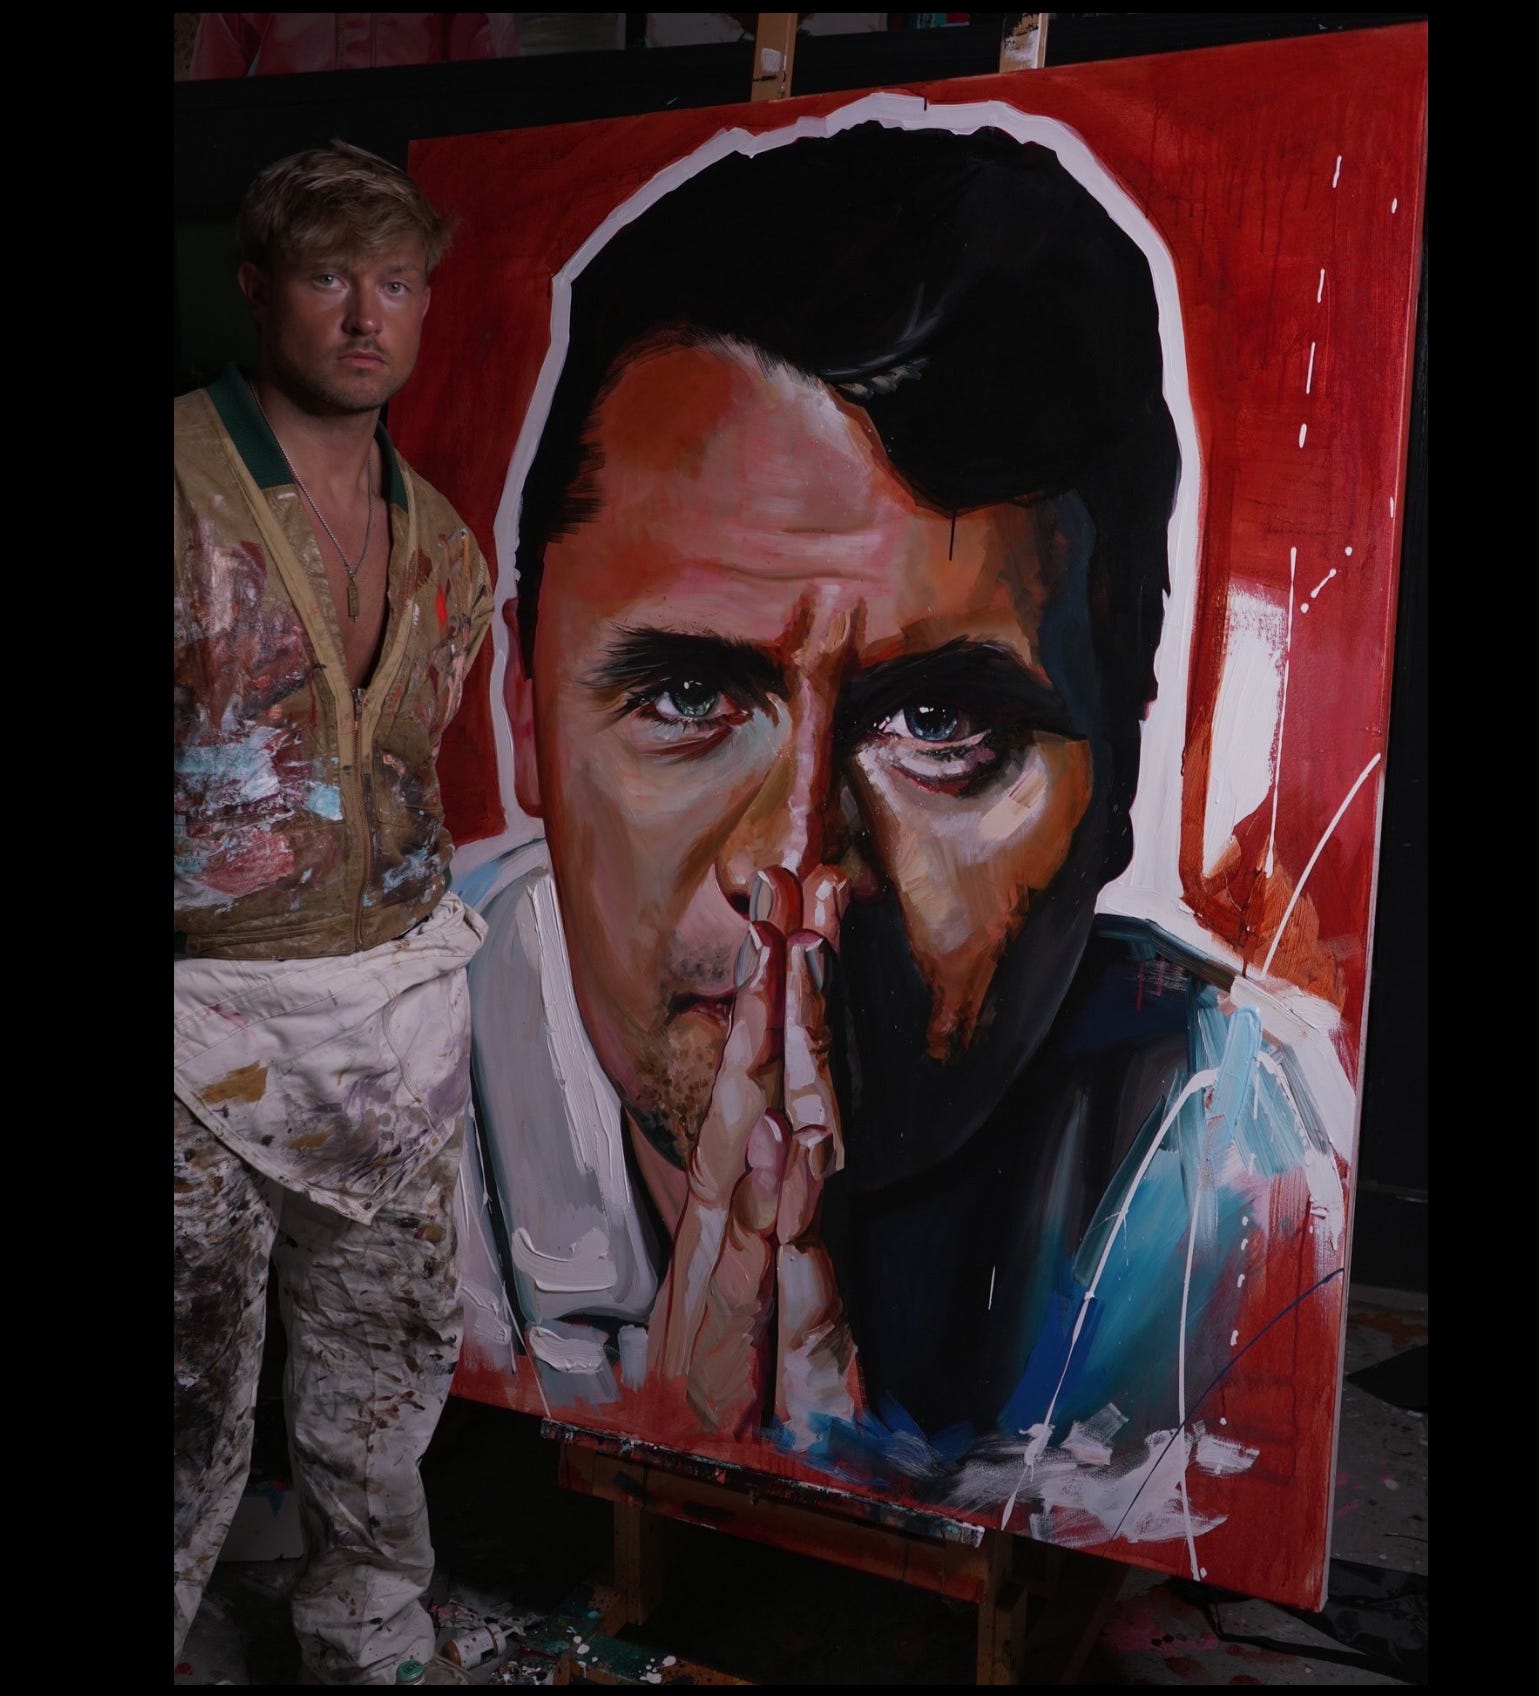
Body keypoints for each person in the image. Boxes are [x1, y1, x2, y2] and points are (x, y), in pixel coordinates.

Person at [457, 120, 1349, 1555]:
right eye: (686, 697)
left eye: (942, 724)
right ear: (521, 715)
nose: (797, 875)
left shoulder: (1258, 1179)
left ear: (1128, 760)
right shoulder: (392, 1086)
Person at [174, 140, 493, 1683]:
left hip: (392, 1012)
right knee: (185, 1398)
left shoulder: (445, 541)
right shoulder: (182, 480)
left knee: (386, 1374)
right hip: (196, 1018)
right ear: (258, 291)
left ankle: (365, 1635)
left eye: (396, 282)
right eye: (326, 279)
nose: (366, 317)